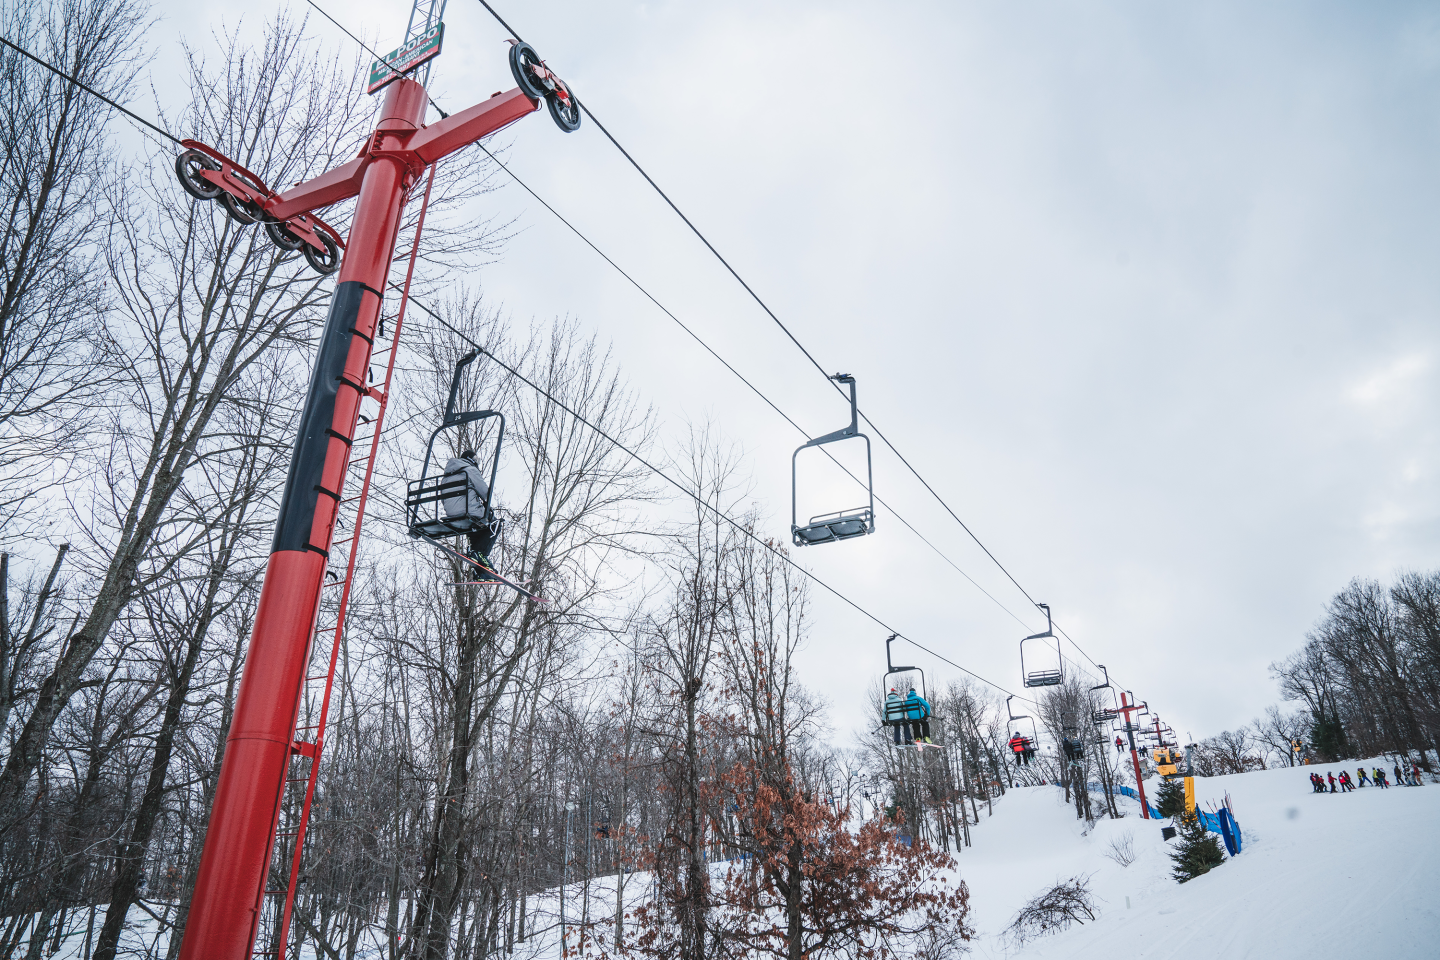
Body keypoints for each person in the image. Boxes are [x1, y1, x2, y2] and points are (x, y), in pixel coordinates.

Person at [441, 449, 500, 578]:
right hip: (468, 512)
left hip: (453, 516)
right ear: (472, 460)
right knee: (494, 523)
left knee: (477, 528)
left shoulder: (446, 477)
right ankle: (480, 555)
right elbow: (486, 494)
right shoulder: (470, 470)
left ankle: (481, 570)